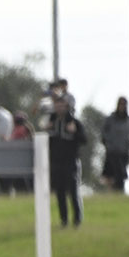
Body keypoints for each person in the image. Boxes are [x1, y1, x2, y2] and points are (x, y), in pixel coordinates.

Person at [50, 97, 88, 227]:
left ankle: (77, 220)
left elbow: (84, 139)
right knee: (59, 192)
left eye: (62, 106)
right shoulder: (52, 122)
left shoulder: (74, 122)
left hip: (71, 161)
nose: (59, 109)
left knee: (73, 191)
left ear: (67, 107)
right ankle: (63, 220)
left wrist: (74, 132)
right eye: (57, 106)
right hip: (56, 162)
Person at [102, 97, 129, 193]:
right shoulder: (110, 119)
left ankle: (120, 191)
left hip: (123, 152)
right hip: (112, 151)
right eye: (120, 104)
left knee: (121, 174)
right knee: (110, 175)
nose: (122, 106)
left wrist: (128, 145)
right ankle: (112, 192)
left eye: (124, 104)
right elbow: (104, 133)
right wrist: (108, 144)